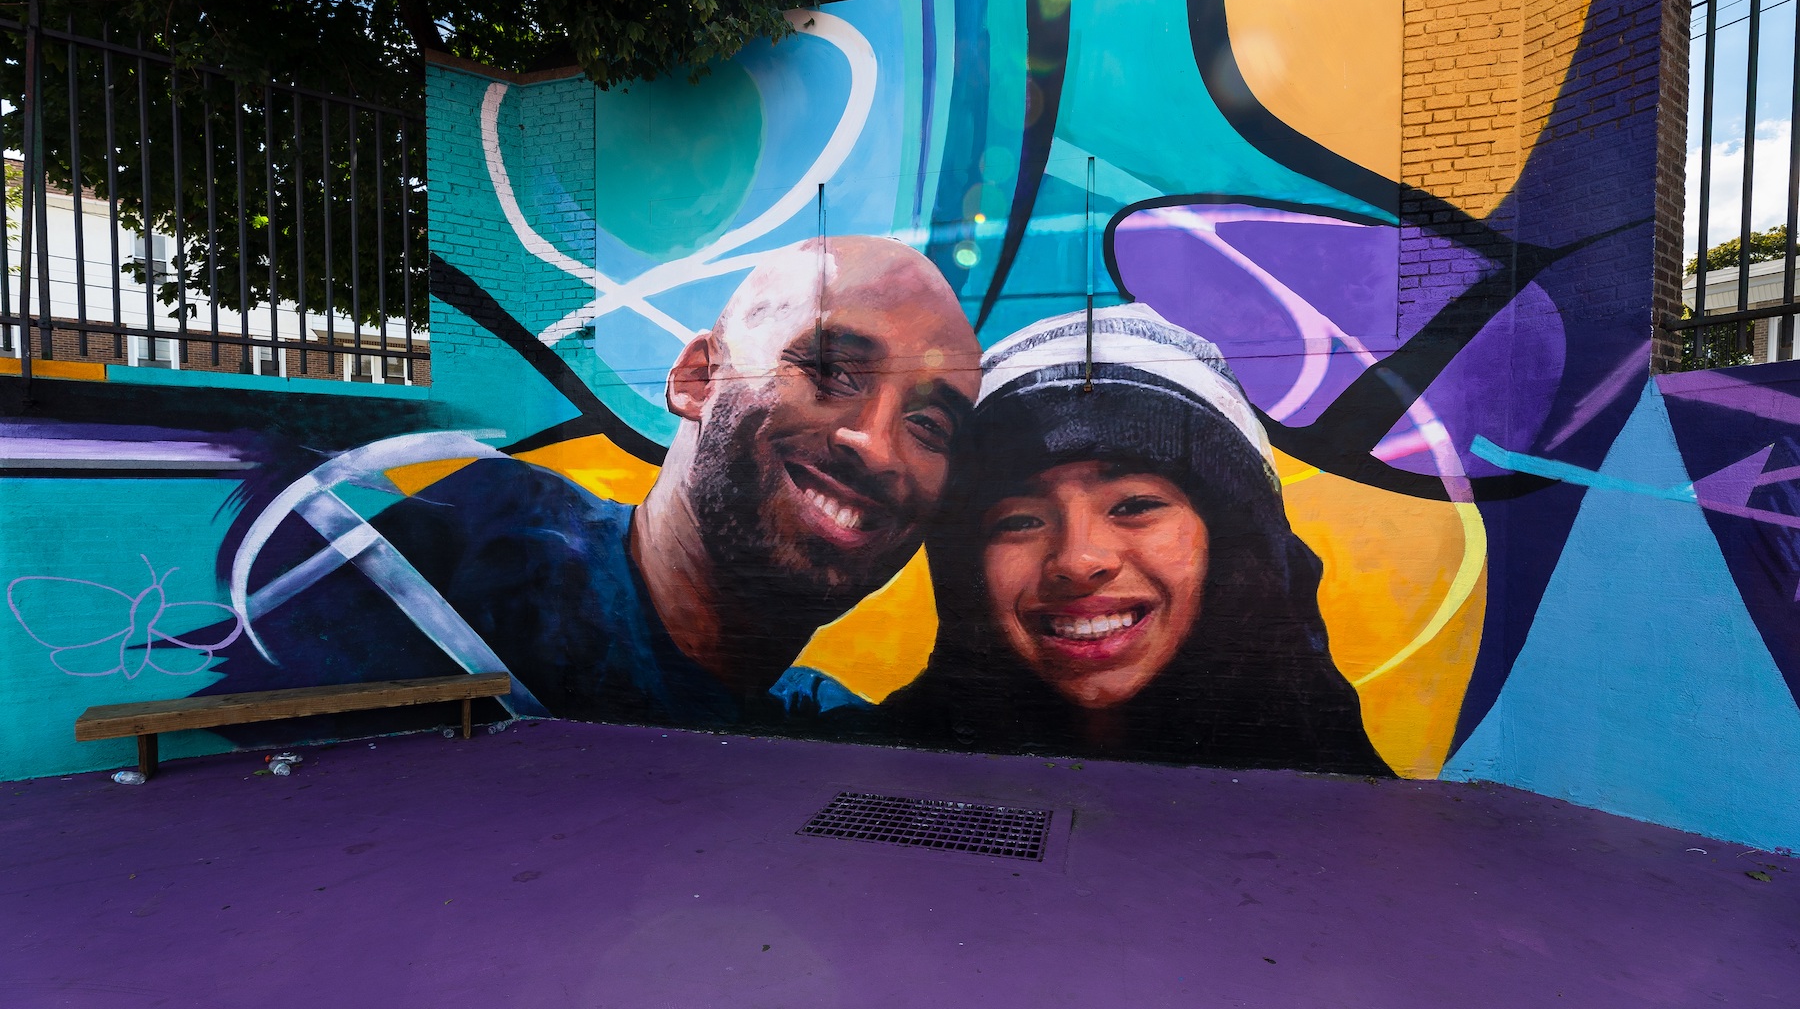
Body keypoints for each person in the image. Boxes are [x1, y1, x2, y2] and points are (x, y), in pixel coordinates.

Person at [207, 236, 983, 728]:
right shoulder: (471, 568)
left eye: (930, 427)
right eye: (832, 371)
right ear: (696, 377)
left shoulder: (815, 725)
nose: (878, 448)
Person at [896, 304, 1390, 775]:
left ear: (1232, 546)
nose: (1077, 559)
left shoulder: (1355, 828)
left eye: (1134, 506)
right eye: (1020, 521)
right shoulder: (896, 772)